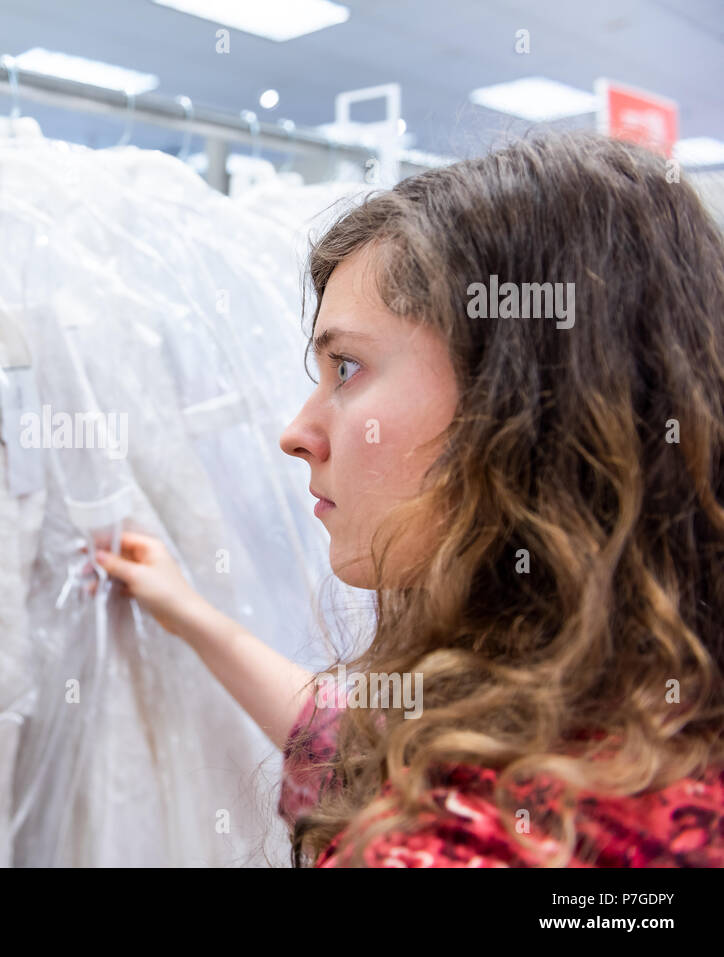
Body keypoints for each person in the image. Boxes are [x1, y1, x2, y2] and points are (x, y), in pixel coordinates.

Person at [96, 132, 724, 867]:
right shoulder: (645, 709)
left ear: (520, 405)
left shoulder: (460, 842)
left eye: (348, 368)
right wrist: (191, 613)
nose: (296, 432)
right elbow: (347, 732)